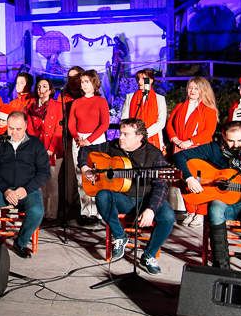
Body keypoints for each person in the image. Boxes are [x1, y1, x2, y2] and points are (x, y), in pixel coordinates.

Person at [174, 121, 241, 273]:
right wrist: (190, 178)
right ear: (223, 137)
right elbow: (180, 156)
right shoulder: (214, 148)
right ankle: (221, 265)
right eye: (231, 141)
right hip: (221, 203)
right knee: (216, 208)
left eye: (240, 140)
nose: (236, 145)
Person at [79, 118, 175, 274]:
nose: (120, 137)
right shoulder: (113, 146)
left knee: (168, 217)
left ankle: (149, 255)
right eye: (120, 133)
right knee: (102, 195)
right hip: (123, 199)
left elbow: (161, 185)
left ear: (139, 137)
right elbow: (85, 150)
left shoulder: (153, 154)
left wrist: (151, 209)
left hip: (147, 199)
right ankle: (120, 236)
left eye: (125, 134)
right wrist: (84, 167)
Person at [0, 111, 50, 258]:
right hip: (2, 188)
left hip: (27, 190)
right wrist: (6, 190)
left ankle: (20, 242)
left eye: (18, 129)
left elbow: (44, 172)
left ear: (26, 126)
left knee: (36, 211)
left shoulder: (36, 145)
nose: (14, 132)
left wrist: (26, 189)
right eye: (11, 128)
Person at [67, 69, 110, 224]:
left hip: (96, 140)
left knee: (97, 176)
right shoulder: (76, 103)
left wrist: (89, 140)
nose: (84, 85)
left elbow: (104, 124)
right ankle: (86, 212)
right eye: (82, 82)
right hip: (79, 140)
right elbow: (71, 123)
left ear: (94, 83)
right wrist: (77, 137)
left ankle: (99, 211)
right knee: (81, 176)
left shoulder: (101, 101)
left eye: (87, 81)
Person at [27, 77, 64, 219]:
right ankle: (40, 213)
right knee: (39, 182)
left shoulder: (56, 105)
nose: (41, 89)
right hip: (37, 148)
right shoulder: (31, 106)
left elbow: (58, 129)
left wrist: (51, 147)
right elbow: (29, 129)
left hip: (53, 149)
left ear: (50, 89)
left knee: (52, 181)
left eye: (44, 86)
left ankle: (52, 214)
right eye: (38, 87)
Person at [58, 66, 85, 223]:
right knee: (68, 175)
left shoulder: (87, 95)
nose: (72, 80)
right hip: (67, 137)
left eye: (75, 77)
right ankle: (67, 211)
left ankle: (85, 212)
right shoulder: (63, 95)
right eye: (69, 77)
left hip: (84, 137)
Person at [166, 76, 218, 154]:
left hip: (198, 148)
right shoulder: (179, 106)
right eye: (190, 87)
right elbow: (169, 124)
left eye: (196, 88)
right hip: (178, 146)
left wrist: (190, 142)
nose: (192, 90)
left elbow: (208, 131)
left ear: (203, 90)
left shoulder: (209, 110)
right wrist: (176, 140)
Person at [121, 69, 167, 153]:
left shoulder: (160, 99)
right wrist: (134, 133)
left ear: (151, 80)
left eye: (143, 79)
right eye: (138, 79)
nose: (140, 81)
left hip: (152, 137)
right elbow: (124, 119)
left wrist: (143, 134)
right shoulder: (130, 97)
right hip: (132, 138)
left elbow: (161, 123)